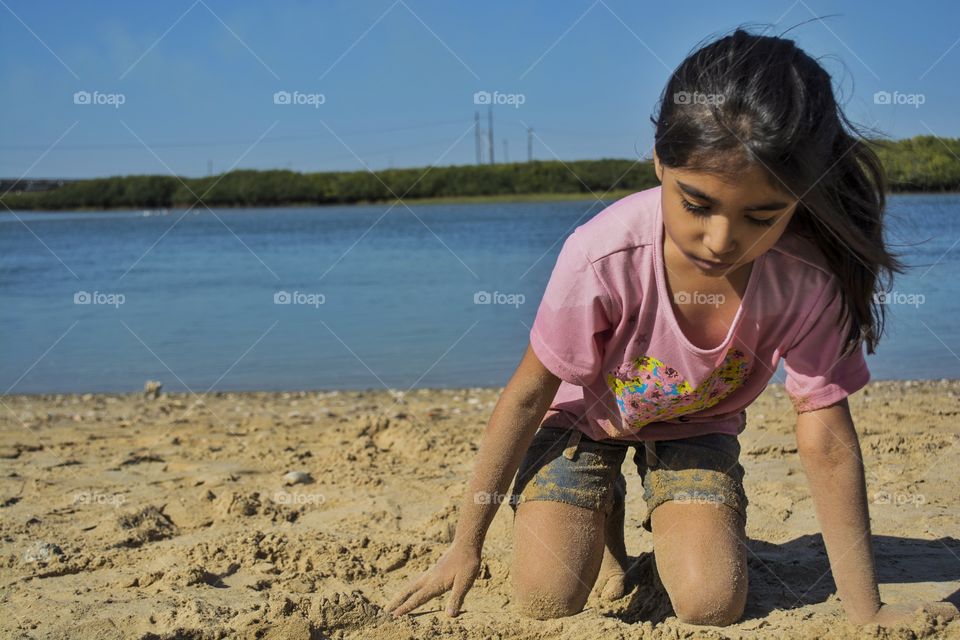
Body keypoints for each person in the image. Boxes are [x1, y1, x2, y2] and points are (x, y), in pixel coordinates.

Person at [387, 26, 959, 628]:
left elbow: (826, 440)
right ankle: (604, 508)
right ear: (660, 160)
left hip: (696, 426)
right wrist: (465, 545)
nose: (721, 240)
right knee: (546, 599)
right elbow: (529, 393)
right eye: (697, 204)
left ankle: (671, 510)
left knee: (712, 603)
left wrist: (868, 611)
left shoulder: (807, 278)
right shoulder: (602, 255)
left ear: (802, 196)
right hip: (581, 423)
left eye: (761, 216)